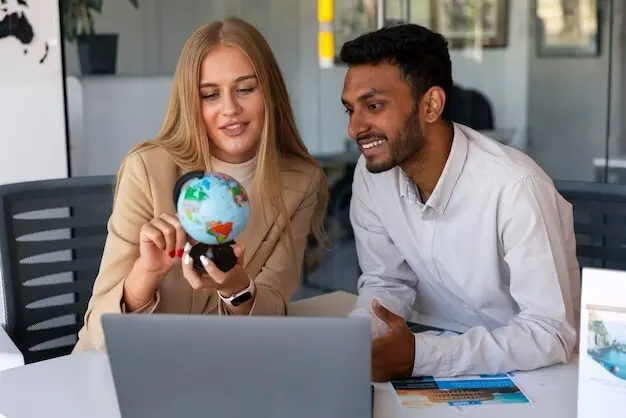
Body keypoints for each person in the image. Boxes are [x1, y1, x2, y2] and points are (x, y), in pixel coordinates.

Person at [339, 24, 580, 381]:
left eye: (373, 106)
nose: (355, 128)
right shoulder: (373, 173)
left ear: (431, 105)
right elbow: (386, 282)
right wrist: (358, 339)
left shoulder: (515, 187)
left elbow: (550, 332)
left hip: (536, 373)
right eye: (350, 110)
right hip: (438, 354)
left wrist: (423, 355)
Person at [73, 18, 329, 352]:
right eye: (210, 95)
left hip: (224, 365)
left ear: (270, 93)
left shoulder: (300, 181)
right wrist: (146, 273)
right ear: (191, 102)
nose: (230, 109)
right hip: (125, 365)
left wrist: (237, 287)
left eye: (245, 89)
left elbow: (274, 313)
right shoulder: (147, 169)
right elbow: (99, 332)